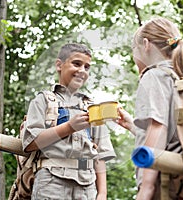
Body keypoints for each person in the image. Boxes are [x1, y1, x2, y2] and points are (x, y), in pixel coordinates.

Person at [117, 17, 183, 199]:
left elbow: (158, 128)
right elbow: (176, 135)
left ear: (146, 44)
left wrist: (146, 188)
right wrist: (132, 126)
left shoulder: (154, 76)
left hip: (167, 186)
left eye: (134, 49)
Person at [22, 43, 116, 200]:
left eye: (87, 67)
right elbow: (30, 143)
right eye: (76, 64)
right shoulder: (43, 100)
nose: (82, 71)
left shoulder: (92, 108)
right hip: (51, 182)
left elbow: (99, 154)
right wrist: (69, 127)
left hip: (87, 186)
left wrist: (102, 194)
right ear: (59, 65)